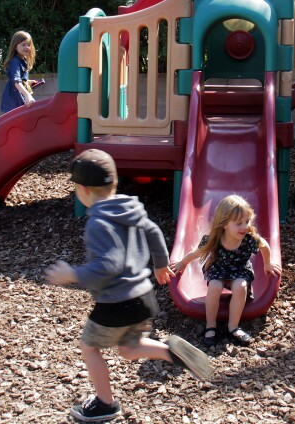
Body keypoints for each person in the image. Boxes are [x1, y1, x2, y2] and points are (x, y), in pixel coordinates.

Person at [45, 149, 212, 422]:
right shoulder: (129, 208)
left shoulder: (98, 222)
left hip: (116, 303)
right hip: (142, 296)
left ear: (83, 190)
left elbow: (108, 266)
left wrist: (72, 274)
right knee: (129, 348)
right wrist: (160, 264)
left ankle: (105, 404)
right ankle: (172, 352)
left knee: (89, 347)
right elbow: (154, 231)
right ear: (114, 184)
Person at [170, 195, 282, 347]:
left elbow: (264, 246)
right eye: (238, 223)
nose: (244, 227)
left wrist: (267, 263)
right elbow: (198, 252)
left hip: (240, 268)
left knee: (240, 285)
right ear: (224, 224)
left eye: (247, 221)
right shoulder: (215, 239)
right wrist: (182, 263)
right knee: (215, 286)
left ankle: (233, 327)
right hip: (218, 268)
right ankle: (211, 325)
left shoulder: (249, 238)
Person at [0, 31, 38, 113]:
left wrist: (27, 82)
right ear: (15, 46)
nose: (26, 47)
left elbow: (20, 80)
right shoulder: (15, 61)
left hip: (18, 95)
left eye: (28, 45)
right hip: (14, 98)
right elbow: (16, 81)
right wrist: (27, 95)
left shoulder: (22, 60)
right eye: (23, 44)